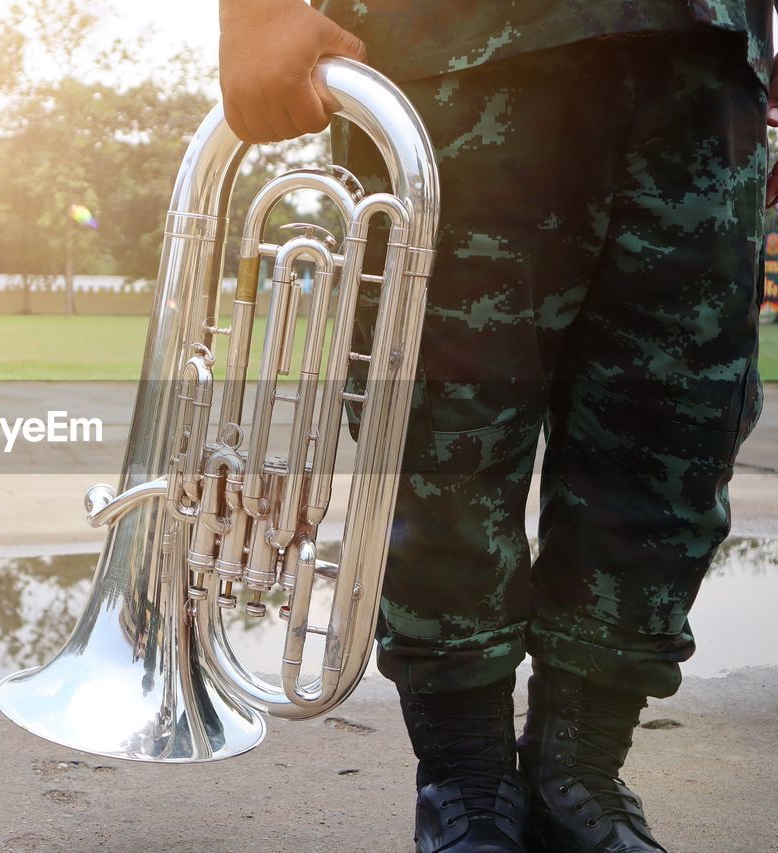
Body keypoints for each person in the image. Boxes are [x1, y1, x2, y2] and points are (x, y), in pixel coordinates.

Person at [218, 1, 772, 851]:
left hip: (703, 56)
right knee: (443, 441)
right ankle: (465, 781)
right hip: (454, 52)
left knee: (674, 435)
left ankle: (577, 773)